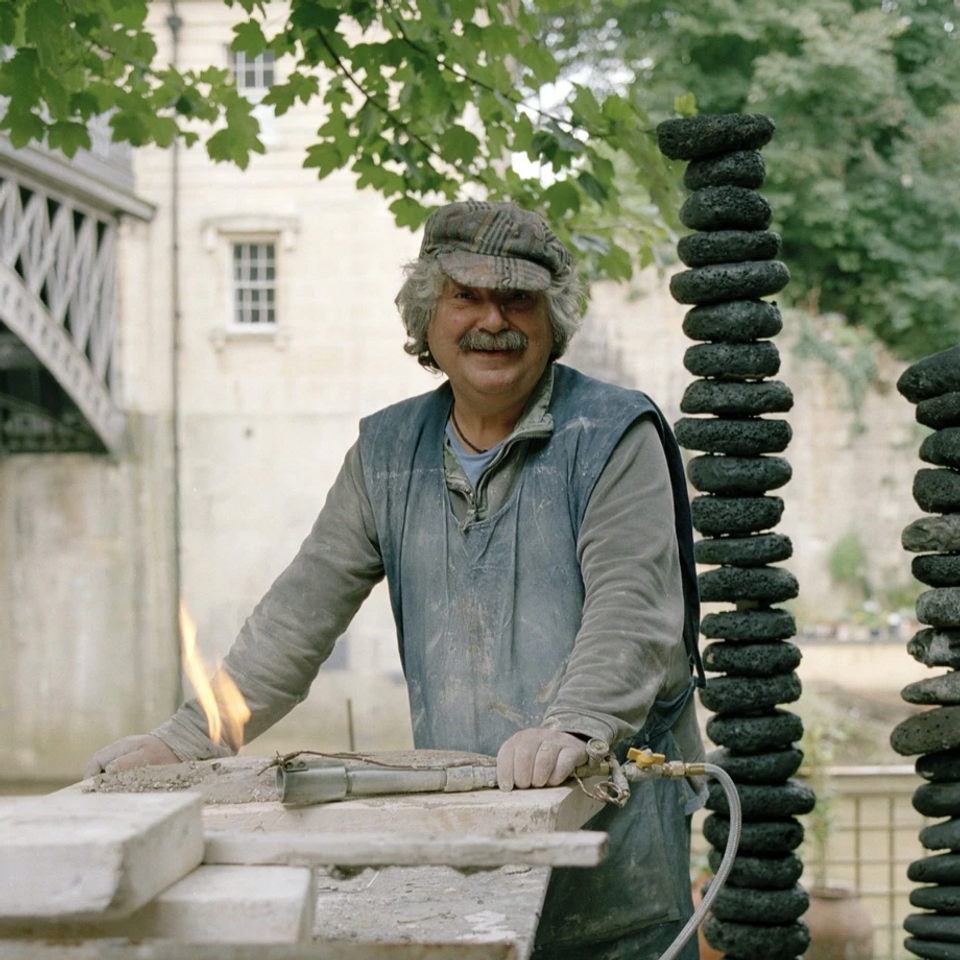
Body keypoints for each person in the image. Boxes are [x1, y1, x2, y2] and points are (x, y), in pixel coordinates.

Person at [85, 200, 705, 960]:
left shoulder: (614, 434)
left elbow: (632, 611)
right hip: (475, 853)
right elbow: (296, 617)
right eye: (466, 297)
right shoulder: (385, 453)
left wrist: (573, 726)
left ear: (551, 316)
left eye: (518, 299)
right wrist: (187, 740)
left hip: (617, 866)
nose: (493, 321)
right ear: (427, 314)